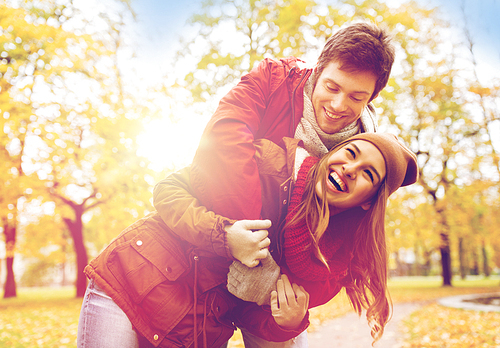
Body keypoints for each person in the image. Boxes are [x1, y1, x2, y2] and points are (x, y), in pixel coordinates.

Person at [78, 132, 418, 348]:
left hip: (195, 324)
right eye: (352, 153)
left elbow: (249, 310)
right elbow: (169, 189)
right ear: (334, 153)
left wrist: (290, 322)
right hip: (134, 277)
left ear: (368, 201)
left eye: (368, 174)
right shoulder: (271, 163)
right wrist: (225, 235)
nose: (350, 168)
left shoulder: (329, 263)